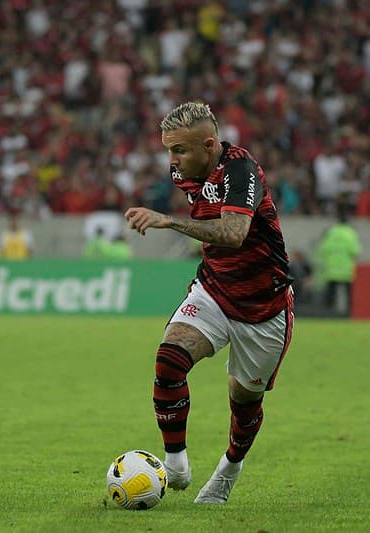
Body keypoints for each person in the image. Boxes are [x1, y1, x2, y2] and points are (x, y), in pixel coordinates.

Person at [124, 102, 294, 504]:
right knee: (169, 358)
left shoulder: (241, 170)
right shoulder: (184, 170)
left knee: (244, 400)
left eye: (180, 150)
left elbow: (235, 233)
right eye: (168, 151)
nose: (173, 161)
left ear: (209, 144)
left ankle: (228, 471)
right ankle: (176, 464)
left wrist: (168, 221)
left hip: (263, 306)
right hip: (215, 289)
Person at [314, 205, 362, 315]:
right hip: (346, 270)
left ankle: (329, 313)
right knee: (348, 294)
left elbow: (323, 249)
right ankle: (349, 313)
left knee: (331, 294)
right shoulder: (351, 233)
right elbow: (355, 251)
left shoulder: (331, 232)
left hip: (331, 270)